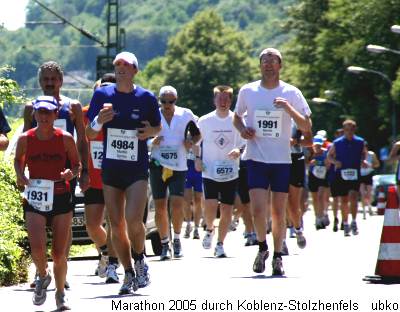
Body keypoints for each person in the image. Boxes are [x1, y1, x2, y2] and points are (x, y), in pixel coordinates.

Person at [86, 51, 161, 294]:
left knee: (133, 220)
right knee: (115, 223)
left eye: (126, 65)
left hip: (136, 168)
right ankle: (128, 272)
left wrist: (150, 131)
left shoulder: (146, 97)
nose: (120, 68)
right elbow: (89, 132)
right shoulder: (102, 94)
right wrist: (99, 120)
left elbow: (157, 127)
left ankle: (140, 259)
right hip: (111, 168)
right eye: (117, 64)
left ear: (135, 70)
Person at [233, 48, 312, 276]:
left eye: (272, 61)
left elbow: (306, 126)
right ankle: (262, 247)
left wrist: (287, 107)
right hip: (256, 158)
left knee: (278, 212)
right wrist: (243, 130)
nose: (268, 65)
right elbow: (237, 117)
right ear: (260, 66)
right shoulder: (248, 91)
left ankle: (278, 256)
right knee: (258, 210)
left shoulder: (292, 92)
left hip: (281, 161)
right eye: (264, 61)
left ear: (280, 65)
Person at [24, 61, 89, 289]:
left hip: (65, 174)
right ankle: (41, 270)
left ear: (61, 81)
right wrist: (21, 172)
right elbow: (24, 141)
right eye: (45, 80)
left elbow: (82, 139)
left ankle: (62, 266)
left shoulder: (73, 107)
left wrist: (84, 171)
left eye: (54, 79)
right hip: (39, 176)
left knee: (64, 223)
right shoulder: (30, 108)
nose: (50, 83)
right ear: (40, 82)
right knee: (38, 226)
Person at [14, 96, 80, 310]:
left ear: (55, 115)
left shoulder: (66, 138)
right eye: (40, 112)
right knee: (37, 247)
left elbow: (77, 165)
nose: (43, 116)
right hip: (35, 196)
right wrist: (19, 175)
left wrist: (71, 173)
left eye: (48, 112)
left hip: (61, 195)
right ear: (34, 114)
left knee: (59, 253)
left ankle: (60, 294)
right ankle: (43, 274)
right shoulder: (26, 138)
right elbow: (18, 160)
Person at [149, 85, 201, 260]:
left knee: (177, 204)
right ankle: (165, 243)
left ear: (176, 101)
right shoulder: (153, 114)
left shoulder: (185, 114)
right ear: (159, 101)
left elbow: (197, 134)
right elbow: (143, 135)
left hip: (178, 164)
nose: (167, 105)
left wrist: (190, 142)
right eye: (163, 101)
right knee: (160, 206)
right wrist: (151, 142)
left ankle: (177, 238)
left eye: (170, 101)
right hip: (158, 164)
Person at [196, 85, 241, 258]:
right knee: (210, 206)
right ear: (214, 100)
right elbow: (195, 143)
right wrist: (197, 159)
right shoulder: (205, 121)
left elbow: (244, 142)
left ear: (230, 101)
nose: (222, 102)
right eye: (219, 98)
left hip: (230, 170)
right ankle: (209, 228)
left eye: (226, 99)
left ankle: (220, 244)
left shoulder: (237, 120)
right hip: (210, 171)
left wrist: (238, 151)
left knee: (227, 210)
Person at [83, 74, 119, 283]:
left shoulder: (120, 114)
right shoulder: (85, 113)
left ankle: (113, 263)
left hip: (116, 176)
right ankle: (106, 252)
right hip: (94, 178)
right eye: (100, 90)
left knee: (114, 223)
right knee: (92, 225)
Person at [327, 120, 366, 237]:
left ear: (354, 130)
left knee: (354, 196)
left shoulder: (360, 141)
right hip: (341, 173)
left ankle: (353, 221)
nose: (349, 132)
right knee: (344, 200)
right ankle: (345, 223)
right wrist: (335, 162)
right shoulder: (337, 142)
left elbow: (364, 153)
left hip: (354, 172)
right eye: (347, 130)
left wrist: (362, 161)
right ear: (343, 130)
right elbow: (329, 156)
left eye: (351, 130)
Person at [284, 123, 312, 253]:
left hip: (295, 159)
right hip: (275, 159)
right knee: (278, 201)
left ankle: (297, 229)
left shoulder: (297, 116)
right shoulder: (268, 112)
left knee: (293, 203)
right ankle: (281, 240)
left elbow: (309, 141)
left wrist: (295, 140)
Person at [308, 135, 330, 230]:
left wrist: (322, 163)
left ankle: (321, 217)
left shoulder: (325, 153)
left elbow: (328, 165)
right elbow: (305, 163)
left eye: (318, 145)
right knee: (315, 198)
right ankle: (317, 216)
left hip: (323, 176)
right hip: (313, 176)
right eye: (315, 145)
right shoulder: (310, 153)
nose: (317, 147)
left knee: (321, 196)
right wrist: (310, 163)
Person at [183, 141, 203, 240]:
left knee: (198, 199)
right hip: (187, 166)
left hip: (198, 167)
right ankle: (188, 224)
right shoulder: (184, 129)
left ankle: (196, 228)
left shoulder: (202, 129)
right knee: (186, 199)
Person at [359, 141, 380, 219]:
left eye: (364, 147)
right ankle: (364, 210)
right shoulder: (358, 155)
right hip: (360, 175)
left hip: (369, 174)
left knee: (369, 193)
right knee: (362, 193)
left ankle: (369, 206)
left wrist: (370, 165)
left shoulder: (371, 154)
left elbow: (377, 164)